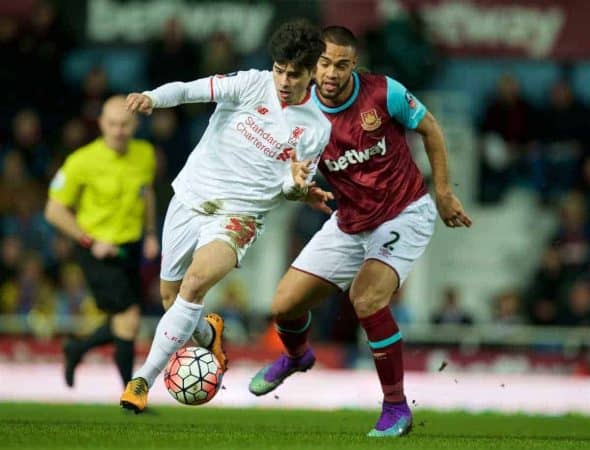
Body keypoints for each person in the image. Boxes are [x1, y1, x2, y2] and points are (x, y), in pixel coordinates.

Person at [248, 26, 472, 437]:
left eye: (342, 65)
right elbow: (294, 172)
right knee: (283, 306)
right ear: (313, 63)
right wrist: (300, 189)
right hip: (349, 220)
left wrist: (442, 192)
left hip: (404, 212)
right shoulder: (297, 111)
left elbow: (432, 130)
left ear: (355, 65)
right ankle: (297, 357)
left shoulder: (383, 92)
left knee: (366, 298)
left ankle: (396, 409)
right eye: (324, 63)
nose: (332, 73)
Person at [119, 19, 331, 413]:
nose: (284, 81)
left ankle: (141, 380)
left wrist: (298, 186)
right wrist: (152, 97)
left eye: (295, 74)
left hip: (240, 214)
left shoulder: (316, 127)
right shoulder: (251, 83)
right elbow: (188, 90)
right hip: (191, 196)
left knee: (195, 284)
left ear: (312, 73)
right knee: (172, 298)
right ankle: (207, 330)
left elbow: (288, 188)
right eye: (280, 70)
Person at [45, 96, 160, 387]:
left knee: (125, 322)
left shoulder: (145, 153)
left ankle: (76, 348)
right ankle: (131, 393)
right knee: (128, 317)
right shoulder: (81, 160)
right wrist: (89, 241)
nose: (118, 130)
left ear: (134, 124)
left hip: (131, 246)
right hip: (96, 248)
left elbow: (146, 194)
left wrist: (149, 233)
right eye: (112, 124)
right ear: (101, 124)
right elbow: (53, 210)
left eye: (124, 124)